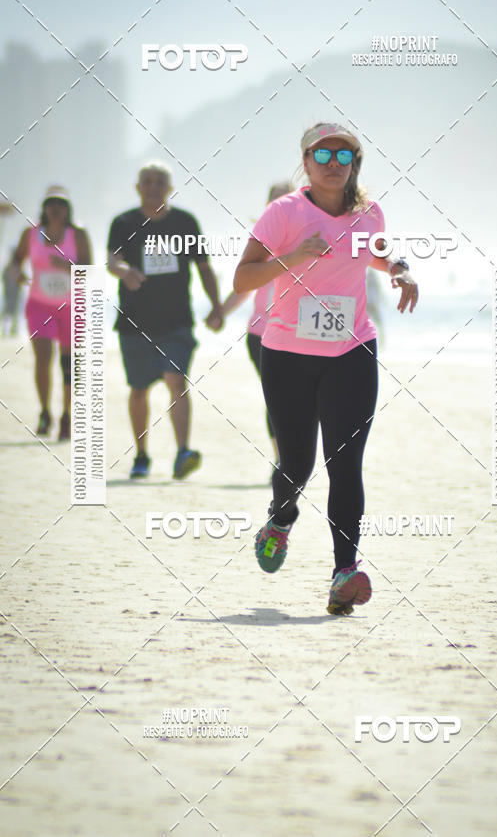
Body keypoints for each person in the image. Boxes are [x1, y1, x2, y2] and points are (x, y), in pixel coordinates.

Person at [233, 123, 418, 615]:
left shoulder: (368, 214)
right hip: (287, 356)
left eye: (343, 154)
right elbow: (243, 277)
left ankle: (344, 572)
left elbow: (378, 253)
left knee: (346, 465)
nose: (333, 162)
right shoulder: (283, 213)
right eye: (322, 154)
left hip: (352, 352)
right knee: (297, 463)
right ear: (306, 162)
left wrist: (400, 269)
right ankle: (280, 520)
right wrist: (291, 258)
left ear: (355, 163)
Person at [107, 162, 224, 479]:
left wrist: (217, 306)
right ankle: (141, 455)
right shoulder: (124, 222)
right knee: (139, 389)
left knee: (176, 380)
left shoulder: (185, 222)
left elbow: (203, 267)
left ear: (169, 188)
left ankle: (182, 451)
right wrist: (125, 272)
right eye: (147, 181)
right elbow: (112, 261)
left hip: (177, 321)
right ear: (138, 187)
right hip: (134, 322)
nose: (153, 187)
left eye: (160, 182)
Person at [219, 181, 293, 465]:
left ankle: (291, 457)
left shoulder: (309, 241)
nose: (281, 206)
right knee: (277, 396)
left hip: (301, 336)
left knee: (298, 398)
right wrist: (221, 312)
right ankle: (282, 459)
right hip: (261, 335)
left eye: (287, 200)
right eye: (275, 201)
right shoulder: (261, 242)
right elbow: (245, 285)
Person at [10, 186, 92, 439]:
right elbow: (16, 260)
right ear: (44, 208)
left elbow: (90, 270)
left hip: (71, 307)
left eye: (61, 204)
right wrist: (18, 273)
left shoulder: (78, 234)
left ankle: (66, 415)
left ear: (68, 209)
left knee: (68, 362)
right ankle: (45, 411)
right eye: (51, 204)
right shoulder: (30, 234)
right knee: (43, 357)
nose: (56, 209)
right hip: (39, 304)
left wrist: (68, 267)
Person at [2, 251, 23, 336]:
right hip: (12, 292)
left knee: (11, 311)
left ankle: (11, 329)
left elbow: (4, 277)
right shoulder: (15, 267)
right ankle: (8, 329)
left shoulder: (13, 267)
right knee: (10, 311)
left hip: (12, 292)